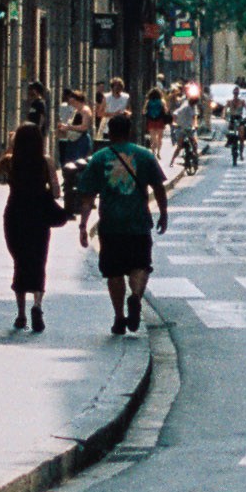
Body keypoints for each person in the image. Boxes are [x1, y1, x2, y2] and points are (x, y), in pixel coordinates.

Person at [79, 107, 170, 333]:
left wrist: (83, 224)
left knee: (114, 272)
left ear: (109, 133)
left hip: (110, 225)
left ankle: (119, 317)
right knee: (140, 265)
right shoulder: (145, 155)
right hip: (138, 223)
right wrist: (164, 213)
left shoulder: (99, 159)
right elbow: (159, 187)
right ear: (130, 132)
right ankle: (136, 297)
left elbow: (88, 195)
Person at [0, 113, 65, 335]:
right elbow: (56, 191)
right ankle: (37, 305)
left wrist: (9, 147)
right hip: (39, 215)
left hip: (15, 214)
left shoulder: (10, 161)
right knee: (38, 260)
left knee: (20, 261)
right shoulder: (46, 161)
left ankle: (21, 314)